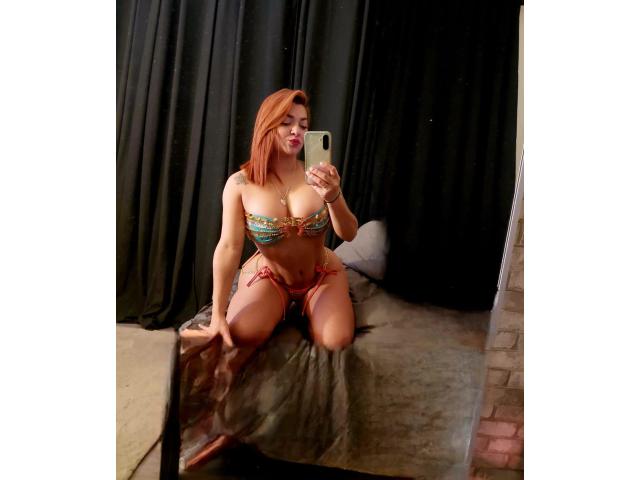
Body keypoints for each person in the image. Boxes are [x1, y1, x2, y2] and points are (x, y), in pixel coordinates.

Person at [182, 88, 358, 353]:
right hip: (271, 277)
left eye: (303, 125)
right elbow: (229, 247)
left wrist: (333, 196)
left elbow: (349, 234)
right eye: (286, 123)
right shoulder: (240, 184)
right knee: (241, 335)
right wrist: (218, 314)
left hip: (321, 274)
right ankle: (277, 304)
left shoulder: (320, 176)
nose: (296, 131)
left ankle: (312, 306)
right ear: (267, 126)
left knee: (336, 342)